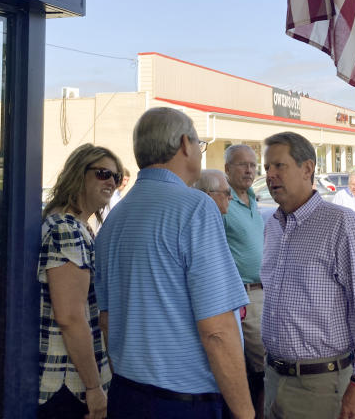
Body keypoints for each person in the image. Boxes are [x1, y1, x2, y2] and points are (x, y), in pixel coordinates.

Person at [92, 107, 253, 419]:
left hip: (126, 395)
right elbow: (218, 330)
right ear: (184, 144)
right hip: (181, 403)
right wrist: (245, 413)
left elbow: (108, 321)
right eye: (198, 144)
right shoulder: (195, 208)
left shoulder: (115, 219)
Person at [261, 131, 355, 419]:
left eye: (279, 166)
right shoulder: (272, 225)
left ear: (307, 169)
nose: (270, 175)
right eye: (267, 167)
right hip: (274, 378)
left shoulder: (341, 224)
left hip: (320, 385)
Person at [37, 144, 121, 419]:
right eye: (102, 173)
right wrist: (94, 387)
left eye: (116, 177)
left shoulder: (75, 226)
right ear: (78, 174)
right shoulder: (66, 229)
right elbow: (70, 317)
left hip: (69, 379)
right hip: (68, 382)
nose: (111, 181)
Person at [223, 144, 266, 419]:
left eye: (253, 164)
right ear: (227, 169)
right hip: (243, 296)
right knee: (261, 370)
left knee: (265, 371)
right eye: (242, 164)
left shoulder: (253, 198)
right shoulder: (223, 202)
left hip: (264, 294)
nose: (249, 170)